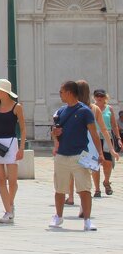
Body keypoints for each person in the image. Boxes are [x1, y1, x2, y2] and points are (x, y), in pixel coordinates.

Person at [51, 79, 104, 231]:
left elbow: (94, 134)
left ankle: (87, 220)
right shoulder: (61, 111)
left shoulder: (84, 111)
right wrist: (55, 133)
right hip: (62, 155)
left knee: (84, 189)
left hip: (79, 155)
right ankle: (58, 216)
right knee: (59, 189)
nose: (60, 95)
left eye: (61, 92)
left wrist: (100, 152)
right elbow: (54, 132)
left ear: (69, 92)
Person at [0, 78, 25, 225]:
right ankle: (8, 210)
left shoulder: (17, 107)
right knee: (1, 179)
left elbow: (23, 128)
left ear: (4, 92)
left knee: (12, 180)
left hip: (11, 142)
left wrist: (21, 148)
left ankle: (10, 204)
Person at [92, 89, 120, 196]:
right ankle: (97, 189)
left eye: (101, 96)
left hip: (107, 136)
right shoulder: (92, 108)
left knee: (108, 162)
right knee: (95, 163)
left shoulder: (109, 109)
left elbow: (114, 125)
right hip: (95, 136)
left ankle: (106, 182)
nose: (99, 97)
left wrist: (118, 138)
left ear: (105, 97)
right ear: (94, 97)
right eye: (97, 96)